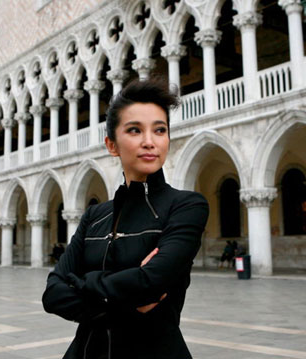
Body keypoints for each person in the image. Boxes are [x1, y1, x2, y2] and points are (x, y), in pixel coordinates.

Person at [42, 79, 209, 359]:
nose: (149, 141)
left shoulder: (186, 207)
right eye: (134, 130)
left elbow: (151, 283)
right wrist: (129, 293)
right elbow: (52, 295)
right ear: (112, 144)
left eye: (160, 130)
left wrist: (83, 284)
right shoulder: (95, 216)